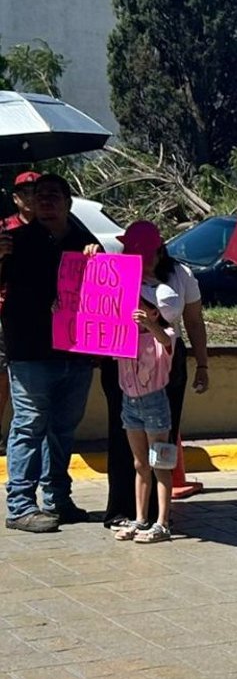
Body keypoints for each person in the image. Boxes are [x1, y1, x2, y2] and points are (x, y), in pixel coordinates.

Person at [0, 173, 101, 533]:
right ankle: (20, 505)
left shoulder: (84, 240)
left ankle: (58, 499)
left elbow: (107, 290)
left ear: (67, 202)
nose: (45, 200)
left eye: (53, 194)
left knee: (62, 429)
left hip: (75, 352)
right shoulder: (12, 241)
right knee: (28, 426)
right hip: (30, 351)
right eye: (38, 194)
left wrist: (97, 258)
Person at [102, 221, 211, 530]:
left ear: (160, 252)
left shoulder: (180, 276)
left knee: (163, 433)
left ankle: (158, 513)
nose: (139, 257)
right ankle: (125, 509)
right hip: (122, 361)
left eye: (146, 252)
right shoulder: (114, 271)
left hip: (165, 360)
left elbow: (194, 322)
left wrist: (202, 365)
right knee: (122, 433)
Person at [113, 288, 180, 544]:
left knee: (159, 463)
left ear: (155, 311)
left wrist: (150, 325)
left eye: (143, 306)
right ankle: (140, 517)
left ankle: (162, 522)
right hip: (129, 401)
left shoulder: (166, 335)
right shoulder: (124, 335)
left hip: (154, 402)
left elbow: (164, 340)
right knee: (140, 463)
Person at [0, 171, 41, 451]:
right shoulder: (4, 229)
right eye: (25, 193)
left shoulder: (52, 228)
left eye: (36, 192)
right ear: (15, 198)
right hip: (6, 312)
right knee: (2, 374)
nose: (31, 198)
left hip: (40, 315)